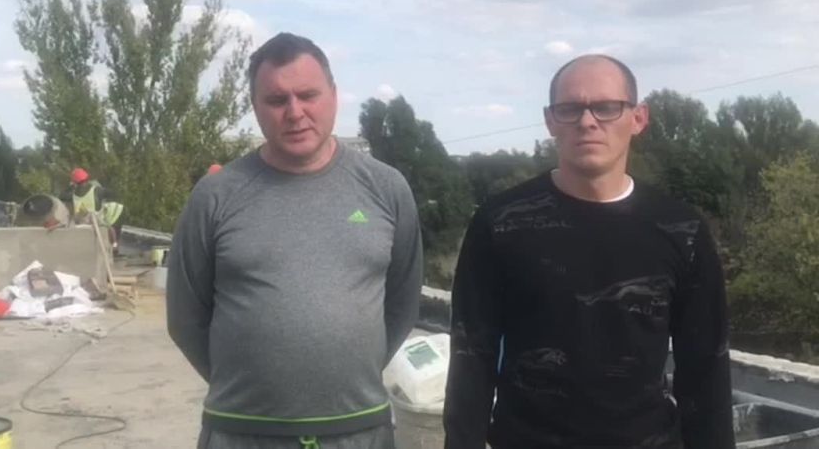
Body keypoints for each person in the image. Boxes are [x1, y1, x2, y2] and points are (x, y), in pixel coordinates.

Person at [443, 54, 734, 448]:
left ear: (638, 118)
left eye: (606, 107)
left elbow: (706, 368)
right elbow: (472, 355)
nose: (587, 121)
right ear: (550, 120)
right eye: (570, 109)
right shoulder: (501, 223)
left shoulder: (680, 229)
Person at [167, 32, 424, 449]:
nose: (295, 112)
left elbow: (402, 304)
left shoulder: (386, 188)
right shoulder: (216, 195)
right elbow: (184, 317)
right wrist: (249, 386)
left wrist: (347, 375)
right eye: (276, 100)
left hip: (360, 431)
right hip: (240, 433)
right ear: (255, 107)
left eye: (308, 95)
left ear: (334, 96)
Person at [61, 167, 124, 250]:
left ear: (74, 183)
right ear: (87, 179)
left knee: (110, 227)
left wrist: (71, 187)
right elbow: (113, 194)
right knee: (110, 227)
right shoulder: (97, 190)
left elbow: (61, 196)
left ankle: (114, 245)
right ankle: (114, 245)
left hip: (85, 221)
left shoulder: (72, 195)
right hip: (94, 220)